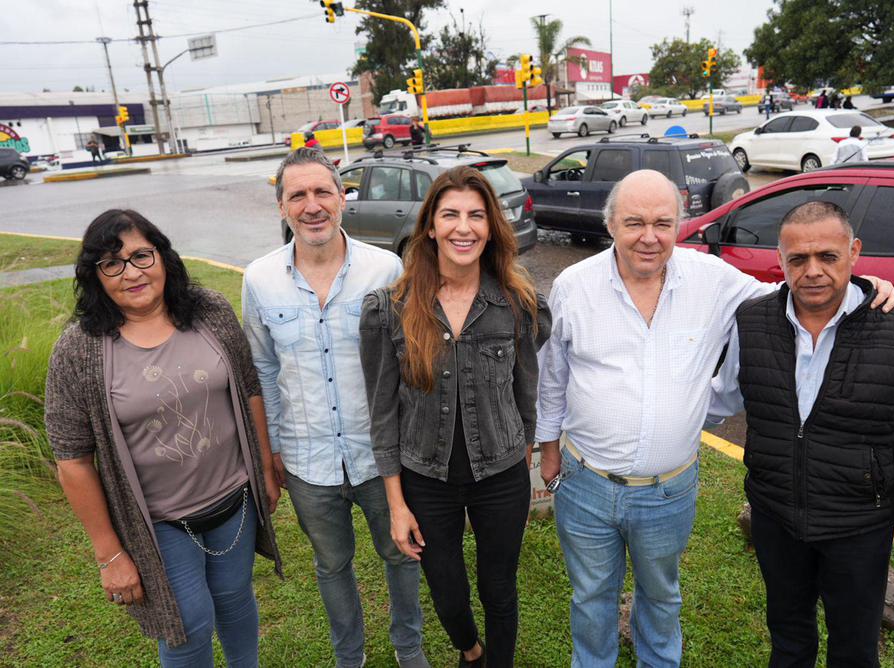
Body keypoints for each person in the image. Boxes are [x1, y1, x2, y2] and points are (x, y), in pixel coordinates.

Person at [535, 170, 894, 667]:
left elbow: (797, 292)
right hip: (585, 482)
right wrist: (549, 447)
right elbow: (553, 373)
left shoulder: (712, 281)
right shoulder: (573, 286)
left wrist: (864, 286)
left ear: (680, 226)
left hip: (668, 491)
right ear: (610, 226)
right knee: (590, 597)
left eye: (663, 223)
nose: (650, 237)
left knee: (662, 596)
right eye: (634, 223)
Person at [707, 201, 894, 667]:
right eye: (798, 259)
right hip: (776, 516)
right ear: (780, 261)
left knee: (854, 649)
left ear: (854, 252)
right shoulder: (753, 321)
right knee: (789, 638)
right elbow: (720, 400)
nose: (812, 271)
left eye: (827, 256)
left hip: (858, 527)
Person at [44, 209, 282, 666]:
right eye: (112, 263)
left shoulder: (210, 310)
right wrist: (110, 554)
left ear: (163, 257)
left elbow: (249, 388)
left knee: (235, 602)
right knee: (186, 627)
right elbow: (72, 459)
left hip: (234, 500)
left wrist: (265, 467)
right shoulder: (79, 350)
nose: (131, 273)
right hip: (159, 523)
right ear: (95, 276)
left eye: (140, 256)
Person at [242, 147, 430, 668]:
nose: (312, 205)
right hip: (306, 460)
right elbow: (262, 372)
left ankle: (408, 647)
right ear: (281, 207)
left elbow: (409, 366)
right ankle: (350, 655)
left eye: (323, 191)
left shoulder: (385, 269)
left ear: (343, 198)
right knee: (331, 565)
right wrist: (271, 454)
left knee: (401, 554)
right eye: (297, 195)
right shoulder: (259, 279)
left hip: (381, 458)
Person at [360, 166, 551, 668]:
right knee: (445, 589)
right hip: (426, 476)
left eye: (476, 216)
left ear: (491, 228)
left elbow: (525, 392)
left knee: (499, 587)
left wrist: (522, 456)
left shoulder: (517, 304)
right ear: (430, 226)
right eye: (450, 215)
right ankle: (471, 651)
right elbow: (382, 413)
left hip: (501, 475)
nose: (463, 227)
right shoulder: (391, 309)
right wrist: (397, 505)